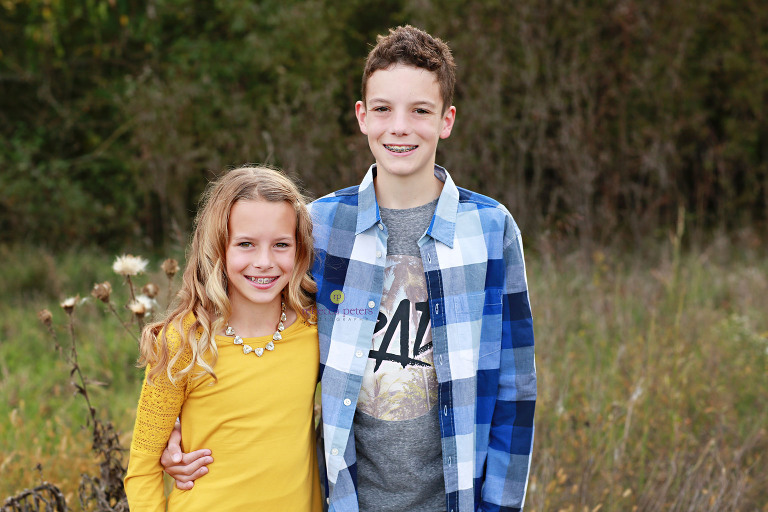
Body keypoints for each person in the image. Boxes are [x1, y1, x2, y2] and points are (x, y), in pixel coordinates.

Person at [162, 25, 537, 512]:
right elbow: (249, 335)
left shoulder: (489, 229)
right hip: (345, 497)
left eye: (420, 111)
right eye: (383, 109)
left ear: (446, 120)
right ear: (362, 116)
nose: (399, 127)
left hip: (457, 498)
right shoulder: (319, 226)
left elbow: (515, 388)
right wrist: (180, 421)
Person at [124, 166, 322, 511]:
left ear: (300, 249)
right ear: (218, 247)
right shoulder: (184, 341)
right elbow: (142, 469)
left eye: (281, 245)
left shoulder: (317, 331)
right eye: (245, 244)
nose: (264, 262)